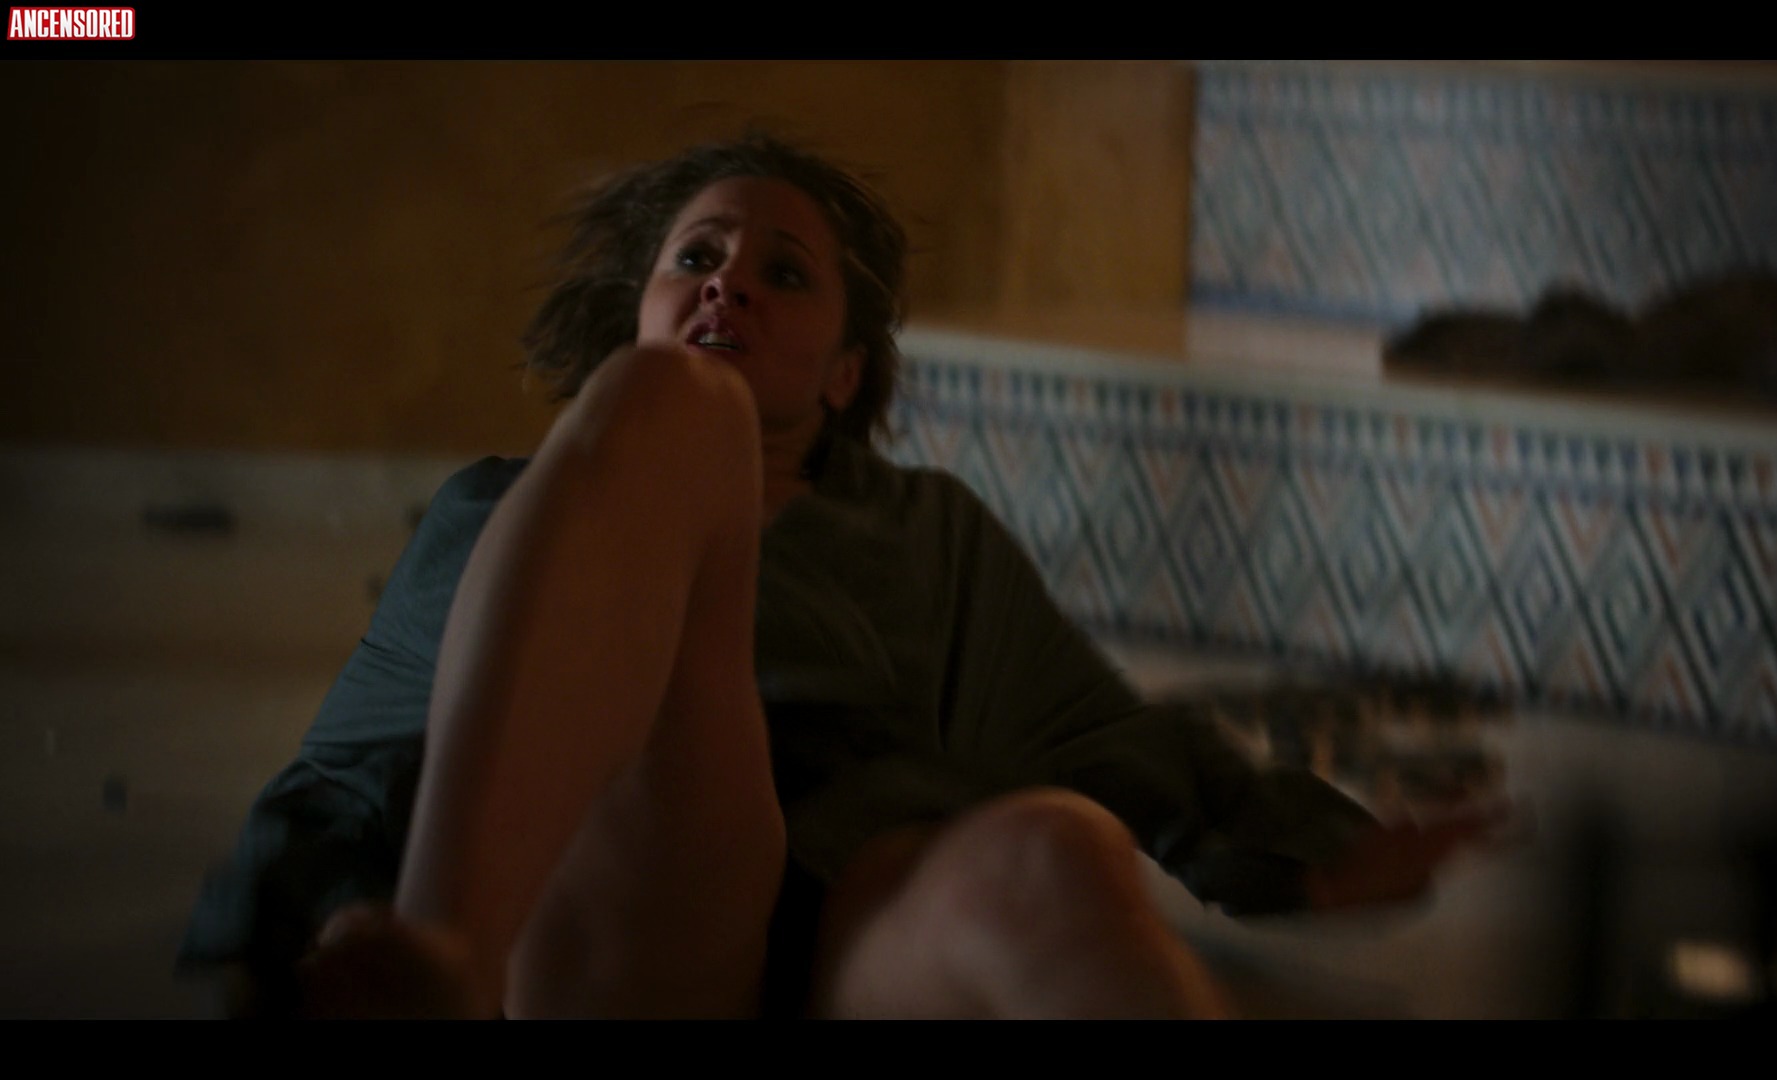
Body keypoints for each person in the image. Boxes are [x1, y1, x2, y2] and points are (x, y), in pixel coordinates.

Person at [178, 133, 1502, 1019]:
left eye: (784, 274)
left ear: (845, 371)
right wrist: (338, 930)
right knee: (676, 414)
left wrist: (1312, 855)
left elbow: (1104, 737)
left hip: (856, 949)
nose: (727, 288)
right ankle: (444, 958)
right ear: (639, 310)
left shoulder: (924, 530)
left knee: (1056, 844)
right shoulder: (501, 512)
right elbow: (346, 777)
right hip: (622, 941)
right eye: (695, 258)